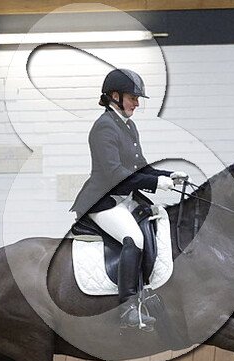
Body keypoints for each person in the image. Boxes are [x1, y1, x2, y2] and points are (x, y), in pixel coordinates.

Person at [70, 68, 187, 331]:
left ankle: (148, 290)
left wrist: (167, 175)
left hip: (125, 198)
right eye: (133, 98)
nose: (136, 103)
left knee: (158, 221)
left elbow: (139, 168)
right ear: (115, 96)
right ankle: (127, 308)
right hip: (104, 201)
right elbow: (115, 174)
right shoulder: (104, 127)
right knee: (133, 238)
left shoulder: (128, 125)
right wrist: (156, 183)